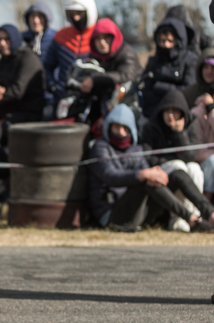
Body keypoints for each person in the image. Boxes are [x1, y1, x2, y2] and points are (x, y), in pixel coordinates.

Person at [86, 104, 212, 232]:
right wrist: (142, 174)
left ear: (131, 129)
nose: (120, 132)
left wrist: (152, 174)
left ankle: (210, 213)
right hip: (112, 214)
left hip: (139, 211)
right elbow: (111, 176)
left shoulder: (136, 149)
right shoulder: (100, 148)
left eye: (125, 128)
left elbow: (147, 172)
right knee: (145, 180)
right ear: (109, 126)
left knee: (175, 174)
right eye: (116, 127)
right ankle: (192, 220)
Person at [142, 88, 211, 227]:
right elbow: (148, 156)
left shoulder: (191, 123)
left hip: (184, 167)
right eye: (167, 111)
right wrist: (170, 161)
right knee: (178, 166)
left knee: (194, 168)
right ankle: (178, 217)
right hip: (162, 169)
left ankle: (195, 216)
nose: (171, 115)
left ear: (182, 113)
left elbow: (191, 156)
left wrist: (179, 134)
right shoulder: (152, 126)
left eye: (175, 111)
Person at [0, 24, 45, 125]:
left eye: (7, 39)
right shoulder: (0, 63)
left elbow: (17, 91)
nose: (2, 43)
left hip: (26, 118)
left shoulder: (29, 59)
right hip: (2, 113)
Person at [44, 0, 97, 104]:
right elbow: (47, 67)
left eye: (79, 13)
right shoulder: (61, 36)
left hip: (93, 98)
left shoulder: (99, 36)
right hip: (63, 97)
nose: (76, 18)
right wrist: (53, 87)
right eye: (72, 14)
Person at [140, 17, 197, 117]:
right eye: (162, 41)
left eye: (170, 41)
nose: (166, 45)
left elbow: (189, 90)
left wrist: (159, 87)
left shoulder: (190, 60)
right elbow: (146, 89)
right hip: (154, 112)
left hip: (181, 112)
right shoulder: (153, 61)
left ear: (178, 41)